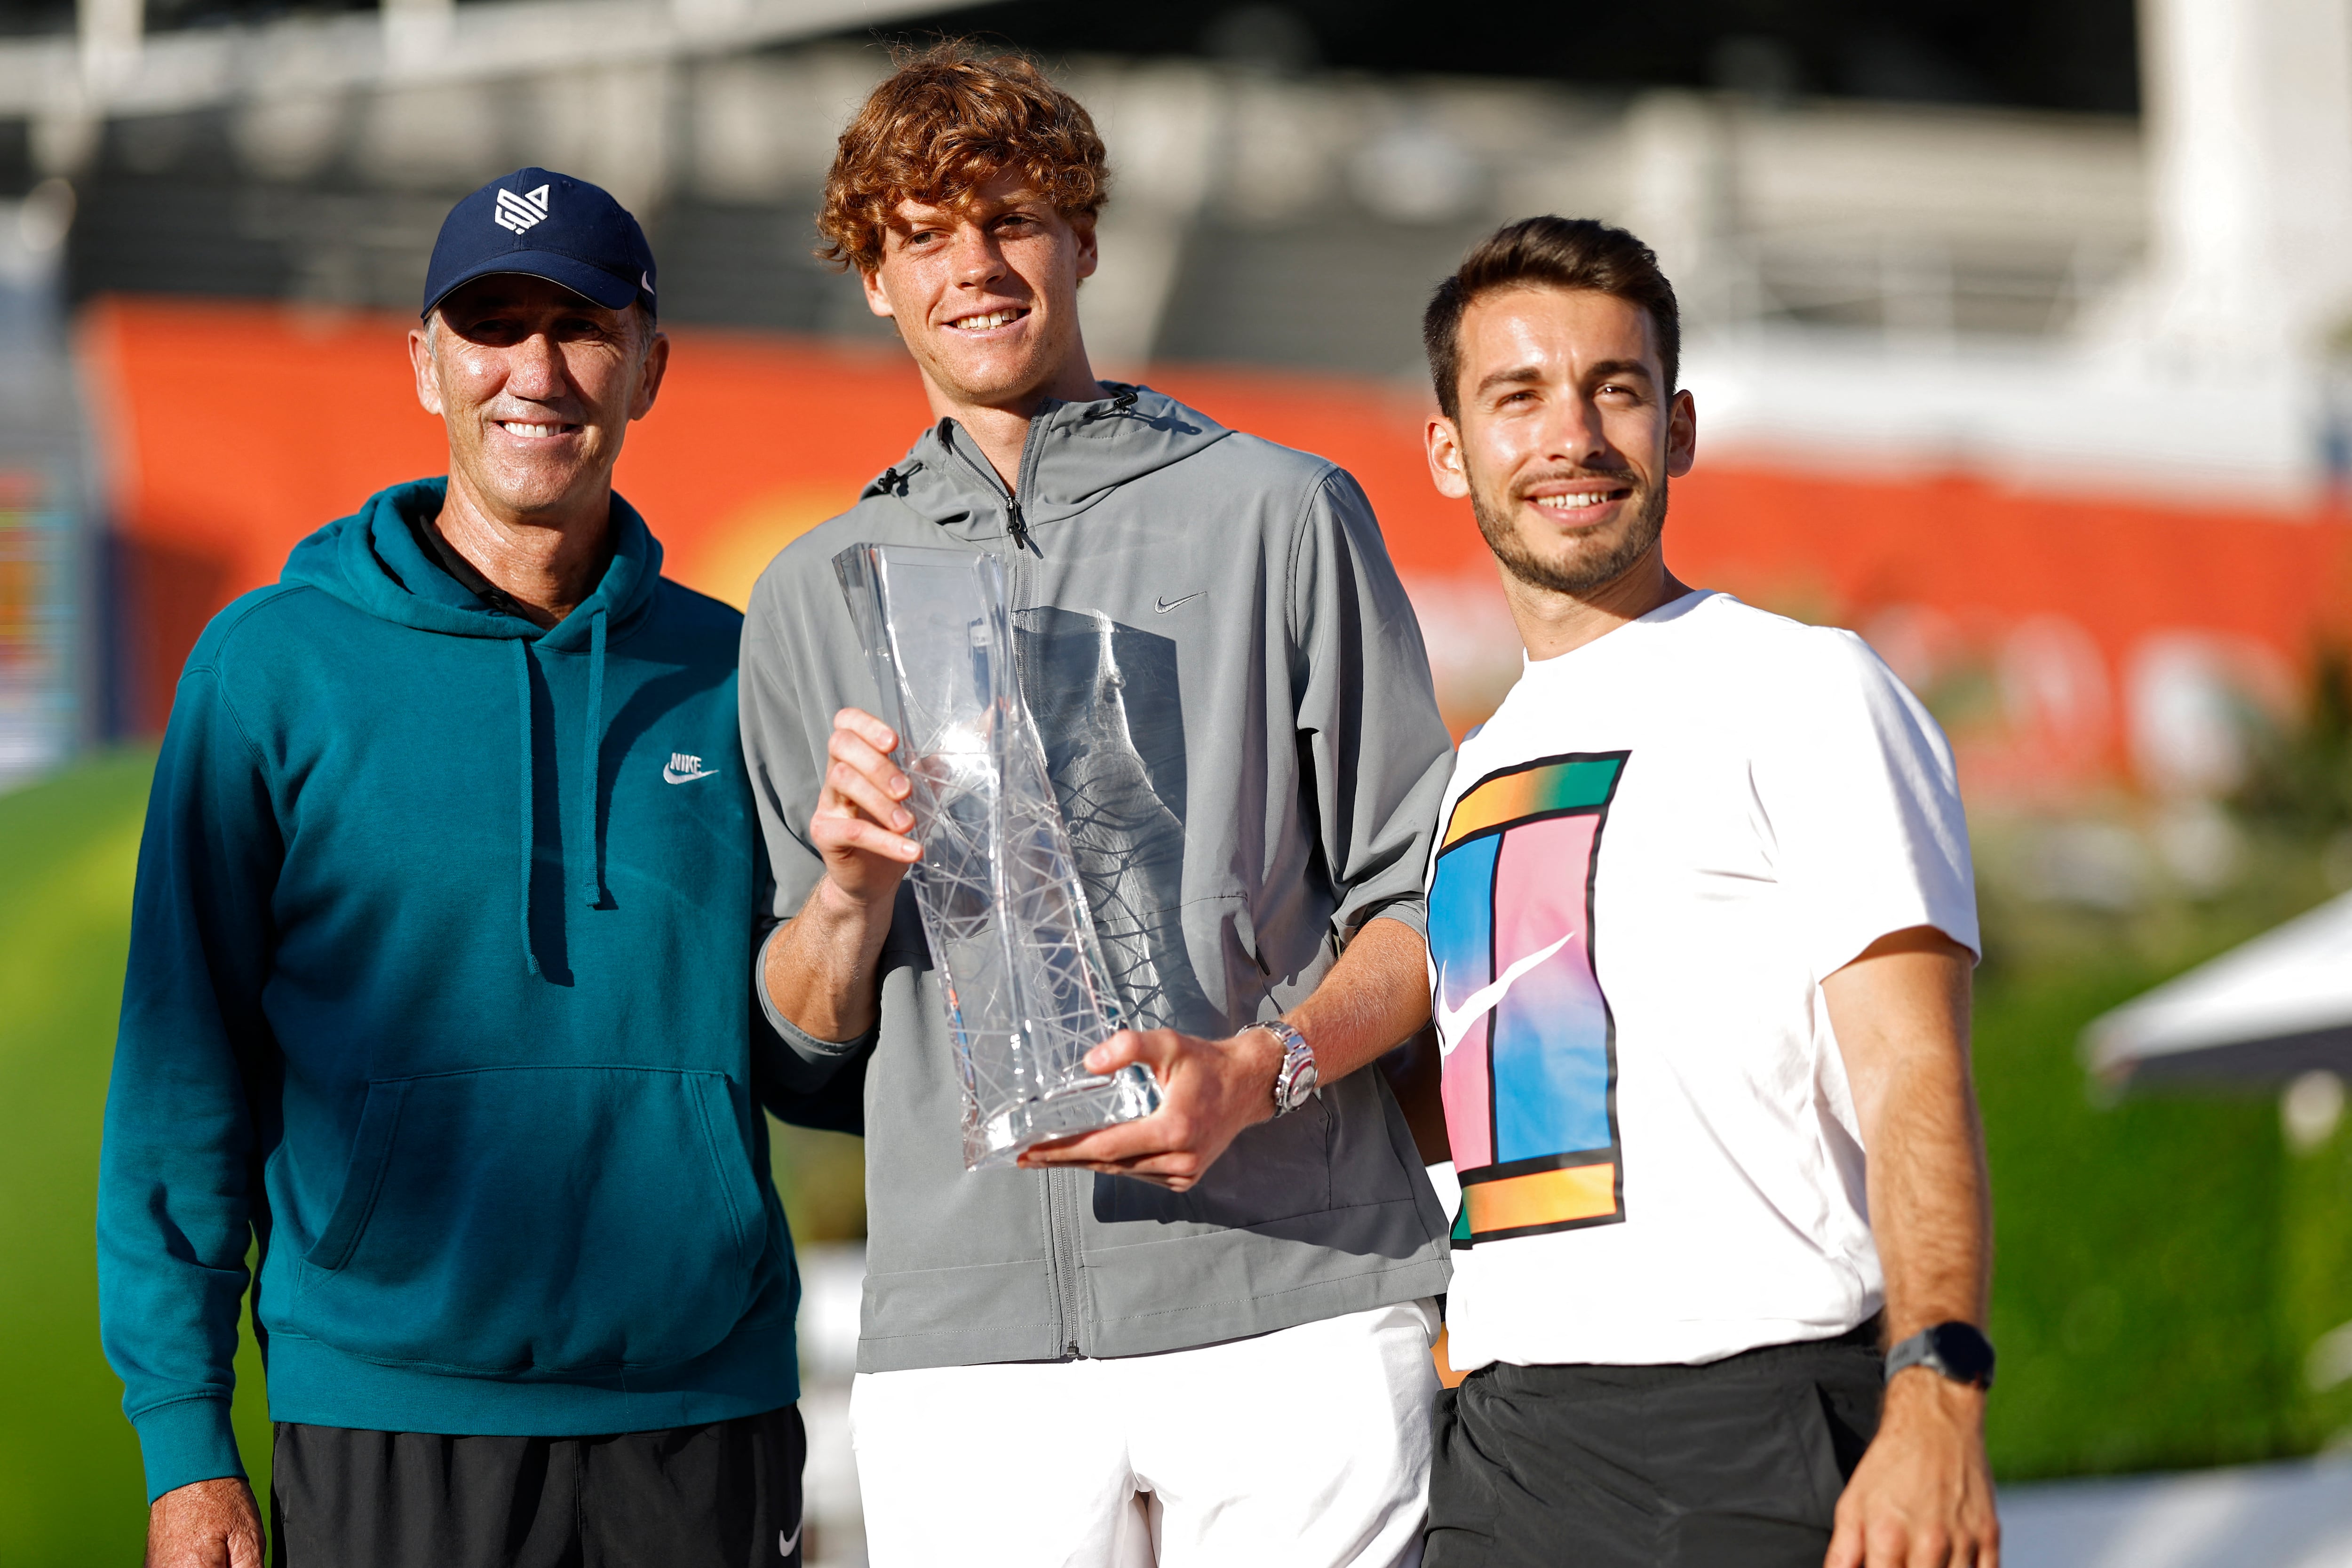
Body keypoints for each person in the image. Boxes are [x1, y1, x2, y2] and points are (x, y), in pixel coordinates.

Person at [739, 46, 1455, 1568]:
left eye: (1010, 219)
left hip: (1297, 1302)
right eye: (922, 235)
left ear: (1084, 238)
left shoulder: (1281, 511)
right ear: (874, 278)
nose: (973, 267)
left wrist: (1261, 1072)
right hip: (971, 1348)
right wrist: (850, 892)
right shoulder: (809, 594)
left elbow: (1419, 900)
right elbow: (800, 1030)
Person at [99, 169, 810, 1568]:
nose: (534, 371)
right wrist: (185, 1442)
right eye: (491, 325)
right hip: (382, 1417)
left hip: (702, 1412)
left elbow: (816, 1057)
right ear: (425, 363)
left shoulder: (745, 673)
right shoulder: (271, 667)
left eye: (581, 326)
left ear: (650, 366)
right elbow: (182, 1081)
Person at [1414, 216, 1999, 1568]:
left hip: (1758, 1422)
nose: (1572, 436)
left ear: (1677, 429)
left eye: (1614, 389)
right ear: (1451, 451)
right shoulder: (1475, 768)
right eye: (1519, 397)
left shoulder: (1803, 688)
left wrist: (1939, 1394)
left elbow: (1916, 1070)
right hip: (1507, 1450)